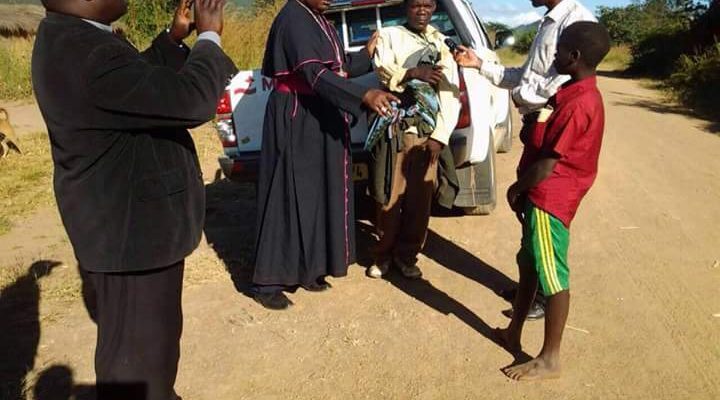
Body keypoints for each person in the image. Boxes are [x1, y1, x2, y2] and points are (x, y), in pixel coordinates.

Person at [32, 0, 237, 398]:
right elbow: (190, 99)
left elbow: (135, 84)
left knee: (148, 355)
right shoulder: (89, 52)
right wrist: (209, 35)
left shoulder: (71, 39)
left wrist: (173, 39)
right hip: (132, 237)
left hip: (124, 233)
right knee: (137, 367)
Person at [468, 21, 610, 380]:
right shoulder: (569, 90)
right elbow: (544, 134)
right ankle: (514, 331)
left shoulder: (581, 104)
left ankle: (550, 358)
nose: (554, 54)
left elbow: (549, 165)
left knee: (552, 275)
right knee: (529, 263)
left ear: (574, 56)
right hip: (540, 197)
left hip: (549, 199)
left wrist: (517, 189)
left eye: (559, 49)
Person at [252, 0, 400, 310]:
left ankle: (310, 269)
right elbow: (312, 73)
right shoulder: (294, 17)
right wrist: (364, 94)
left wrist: (365, 56)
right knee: (288, 195)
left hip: (319, 114)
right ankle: (268, 280)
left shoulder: (320, 20)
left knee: (317, 194)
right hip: (297, 115)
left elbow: (337, 66)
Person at [455, 0, 595, 320]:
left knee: (543, 212)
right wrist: (479, 64)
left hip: (551, 127)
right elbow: (525, 76)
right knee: (530, 214)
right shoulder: (549, 23)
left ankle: (545, 295)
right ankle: (529, 288)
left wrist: (539, 109)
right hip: (537, 125)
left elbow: (562, 86)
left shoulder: (575, 22)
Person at [366, 0, 460, 280]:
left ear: (434, 9)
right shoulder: (390, 36)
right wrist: (412, 73)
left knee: (420, 202)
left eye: (428, 5)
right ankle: (382, 256)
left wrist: (439, 137)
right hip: (394, 131)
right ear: (405, 8)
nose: (422, 10)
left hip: (425, 134)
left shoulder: (441, 42)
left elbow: (450, 94)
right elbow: (383, 69)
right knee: (388, 198)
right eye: (416, 5)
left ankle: (407, 256)